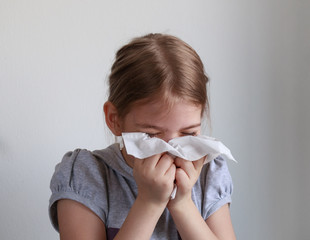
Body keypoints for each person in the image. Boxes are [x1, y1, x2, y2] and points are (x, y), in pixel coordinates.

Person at [49, 33, 236, 240]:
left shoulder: (209, 173)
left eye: (188, 133)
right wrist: (150, 202)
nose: (170, 150)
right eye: (152, 135)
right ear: (115, 120)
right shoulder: (87, 176)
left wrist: (183, 204)